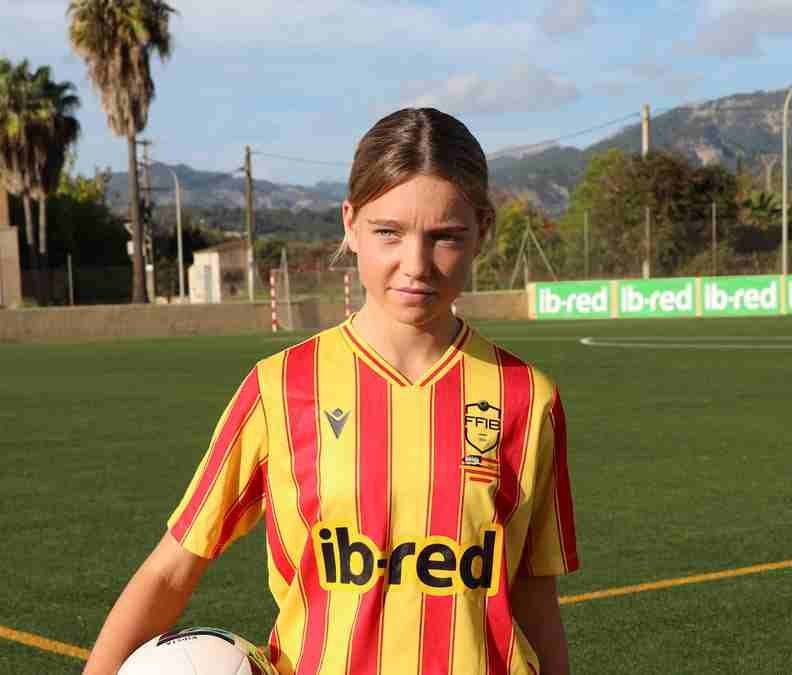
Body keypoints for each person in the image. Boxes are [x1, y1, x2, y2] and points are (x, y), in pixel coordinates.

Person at [83, 108, 579, 675]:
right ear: (350, 223)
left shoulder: (526, 396)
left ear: (482, 232)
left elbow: (536, 600)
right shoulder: (280, 387)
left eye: (445, 237)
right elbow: (172, 569)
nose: (414, 264)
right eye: (387, 232)